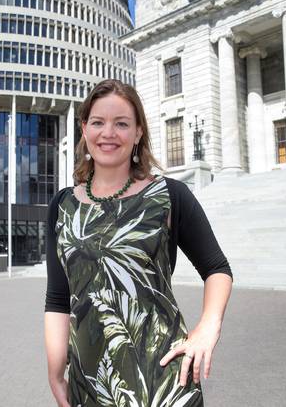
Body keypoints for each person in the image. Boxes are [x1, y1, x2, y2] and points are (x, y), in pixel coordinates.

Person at [44, 79, 233, 406]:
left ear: (138, 132)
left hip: (162, 381)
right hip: (89, 382)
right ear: (84, 128)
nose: (108, 133)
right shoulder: (62, 206)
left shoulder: (169, 195)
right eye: (98, 122)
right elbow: (59, 299)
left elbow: (217, 269)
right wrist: (55, 372)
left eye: (121, 124)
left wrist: (207, 328)